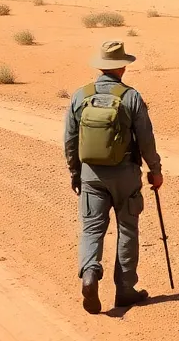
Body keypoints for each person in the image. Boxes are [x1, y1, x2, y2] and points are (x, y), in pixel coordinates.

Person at [63, 40, 163, 314]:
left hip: (91, 175)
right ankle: (125, 290)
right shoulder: (131, 97)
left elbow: (70, 140)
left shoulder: (80, 96)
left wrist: (75, 172)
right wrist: (155, 171)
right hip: (126, 175)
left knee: (91, 228)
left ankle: (90, 273)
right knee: (127, 229)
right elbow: (146, 140)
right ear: (122, 66)